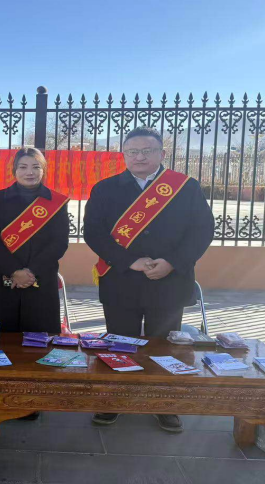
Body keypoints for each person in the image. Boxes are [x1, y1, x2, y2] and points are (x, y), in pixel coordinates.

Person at [84, 127, 213, 432]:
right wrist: (129, 261)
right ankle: (115, 400)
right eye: (133, 151)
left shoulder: (185, 187)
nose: (139, 157)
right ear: (124, 154)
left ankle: (163, 404)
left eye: (147, 151)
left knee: (164, 346)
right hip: (121, 280)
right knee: (119, 344)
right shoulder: (105, 189)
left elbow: (202, 231)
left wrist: (173, 263)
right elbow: (94, 233)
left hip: (168, 282)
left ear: (162, 154)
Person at [0, 147, 69, 334]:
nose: (30, 172)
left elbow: (59, 242)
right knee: (1, 337)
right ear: (14, 170)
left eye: (36, 167)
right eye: (23, 167)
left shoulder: (56, 202)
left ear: (43, 170)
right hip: (3, 275)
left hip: (41, 276)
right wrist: (14, 271)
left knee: (41, 337)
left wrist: (31, 271)